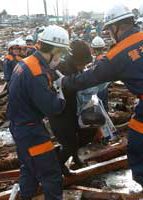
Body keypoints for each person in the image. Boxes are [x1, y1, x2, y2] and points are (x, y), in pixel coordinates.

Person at [61, 4, 143, 194]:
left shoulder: (118, 53)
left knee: (137, 149)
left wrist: (65, 82)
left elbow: (92, 77)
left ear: (115, 27)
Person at [7, 25, 70, 200]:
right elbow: (52, 108)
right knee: (51, 174)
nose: (61, 58)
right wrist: (61, 94)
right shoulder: (36, 73)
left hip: (19, 126)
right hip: (31, 132)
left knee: (29, 167)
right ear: (54, 50)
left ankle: (26, 197)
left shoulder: (26, 62)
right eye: (61, 53)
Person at [48, 39, 97, 176]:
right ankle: (58, 164)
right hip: (60, 113)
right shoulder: (61, 69)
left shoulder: (76, 68)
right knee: (69, 143)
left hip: (74, 110)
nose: (83, 67)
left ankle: (74, 157)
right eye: (81, 63)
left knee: (87, 133)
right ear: (74, 59)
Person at [91, 36, 110, 112]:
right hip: (105, 85)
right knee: (105, 105)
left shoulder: (98, 60)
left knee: (100, 106)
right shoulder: (105, 56)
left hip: (100, 87)